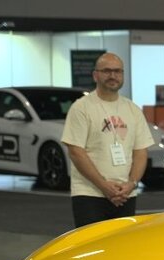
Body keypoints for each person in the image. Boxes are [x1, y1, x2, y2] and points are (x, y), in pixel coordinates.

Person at [62, 52, 155, 227]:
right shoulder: (81, 108)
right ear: (95, 75)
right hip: (90, 193)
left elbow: (140, 152)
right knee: (90, 250)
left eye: (118, 71)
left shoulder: (132, 109)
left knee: (121, 249)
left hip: (125, 194)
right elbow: (76, 152)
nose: (113, 76)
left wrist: (132, 184)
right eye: (107, 71)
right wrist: (104, 186)